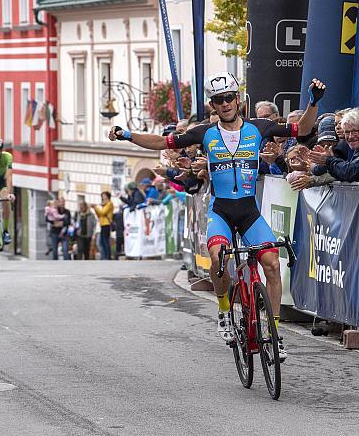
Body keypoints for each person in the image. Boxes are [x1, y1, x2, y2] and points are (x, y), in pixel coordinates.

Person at [108, 71, 326, 361]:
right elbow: (162, 143)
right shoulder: (203, 133)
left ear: (238, 100)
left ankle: (274, 333)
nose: (223, 104)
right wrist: (128, 135)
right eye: (217, 100)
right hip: (221, 209)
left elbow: (300, 129)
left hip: (249, 210)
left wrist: (313, 103)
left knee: (272, 265)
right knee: (218, 258)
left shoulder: (259, 128)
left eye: (228, 98)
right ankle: (224, 311)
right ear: (213, 105)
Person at [93, 191, 114, 260]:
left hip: (106, 224)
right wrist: (95, 209)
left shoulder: (109, 204)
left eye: (104, 196)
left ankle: (107, 256)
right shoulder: (104, 205)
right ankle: (105, 256)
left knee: (105, 241)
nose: (103, 197)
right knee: (102, 241)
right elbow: (99, 215)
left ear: (108, 197)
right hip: (102, 224)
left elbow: (102, 213)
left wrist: (95, 207)